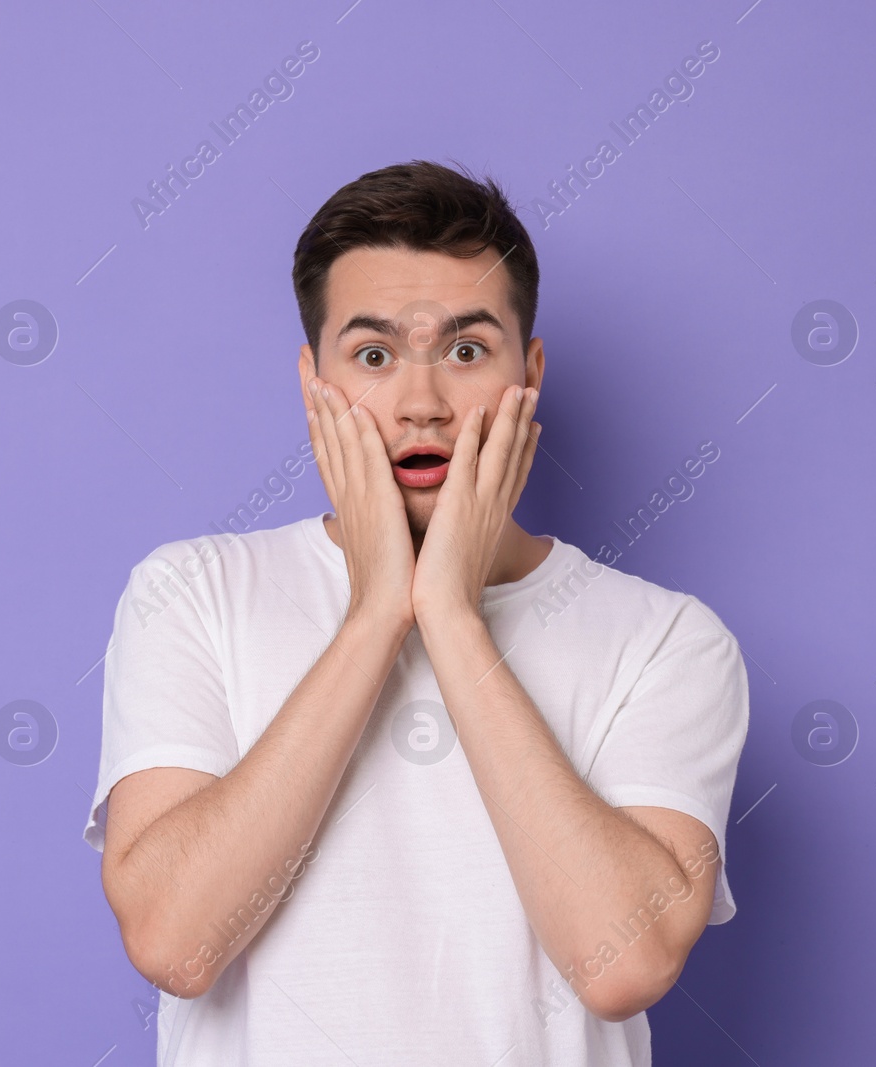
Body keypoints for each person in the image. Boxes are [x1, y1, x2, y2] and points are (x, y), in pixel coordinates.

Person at [82, 160, 750, 1065]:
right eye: (373, 355)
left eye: (468, 351)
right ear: (314, 381)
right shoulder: (191, 593)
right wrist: (373, 618)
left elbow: (623, 964)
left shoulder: (668, 639)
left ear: (532, 370)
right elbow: (175, 942)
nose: (424, 402)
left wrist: (452, 615)